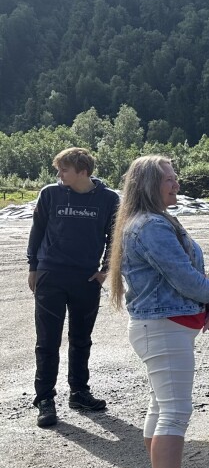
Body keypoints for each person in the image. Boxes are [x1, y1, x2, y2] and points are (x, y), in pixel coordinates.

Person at [108, 156, 209, 468]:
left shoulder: (148, 221)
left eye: (176, 178)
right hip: (163, 328)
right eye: (169, 180)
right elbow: (184, 277)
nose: (176, 185)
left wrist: (207, 303)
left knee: (160, 408)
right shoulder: (151, 227)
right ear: (147, 184)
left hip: (160, 327)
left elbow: (182, 277)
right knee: (174, 412)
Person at [27, 147, 120, 428]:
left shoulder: (108, 199)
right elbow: (37, 231)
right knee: (47, 342)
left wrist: (106, 270)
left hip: (86, 280)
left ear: (82, 171)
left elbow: (115, 237)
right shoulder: (50, 194)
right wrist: (34, 267)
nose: (58, 175)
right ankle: (45, 400)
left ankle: (79, 393)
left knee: (81, 339)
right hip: (51, 276)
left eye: (63, 169)